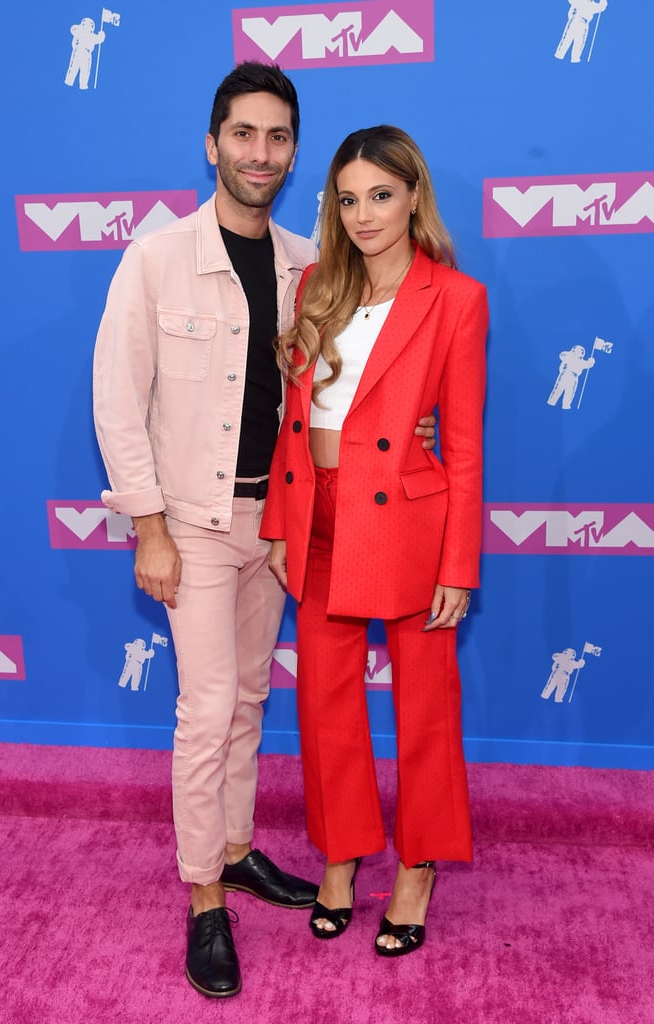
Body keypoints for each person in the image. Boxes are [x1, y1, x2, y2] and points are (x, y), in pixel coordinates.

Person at [93, 66, 437, 997]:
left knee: (247, 699)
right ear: (212, 145)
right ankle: (205, 896)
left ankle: (237, 850)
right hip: (194, 525)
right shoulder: (155, 259)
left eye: (278, 137)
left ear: (293, 152)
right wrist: (149, 528)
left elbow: (350, 378)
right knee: (205, 712)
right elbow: (118, 403)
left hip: (282, 523)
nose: (260, 153)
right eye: (242, 134)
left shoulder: (307, 264)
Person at [262, 125, 488, 958]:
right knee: (323, 703)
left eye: (380, 196)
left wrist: (457, 564)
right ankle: (340, 856)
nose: (362, 215)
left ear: (414, 197)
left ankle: (418, 865)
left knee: (423, 708)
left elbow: (461, 444)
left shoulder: (455, 299)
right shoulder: (317, 285)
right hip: (317, 513)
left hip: (407, 524)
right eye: (347, 199)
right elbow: (298, 422)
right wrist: (282, 522)